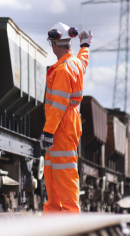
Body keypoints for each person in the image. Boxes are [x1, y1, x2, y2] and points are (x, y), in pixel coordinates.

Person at [39, 22, 92, 213]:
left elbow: (58, 105)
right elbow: (83, 62)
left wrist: (48, 131)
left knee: (64, 172)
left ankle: (69, 217)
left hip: (61, 124)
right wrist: (85, 46)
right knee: (52, 172)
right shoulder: (75, 63)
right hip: (69, 121)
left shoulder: (62, 70)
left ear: (54, 44)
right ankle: (52, 217)